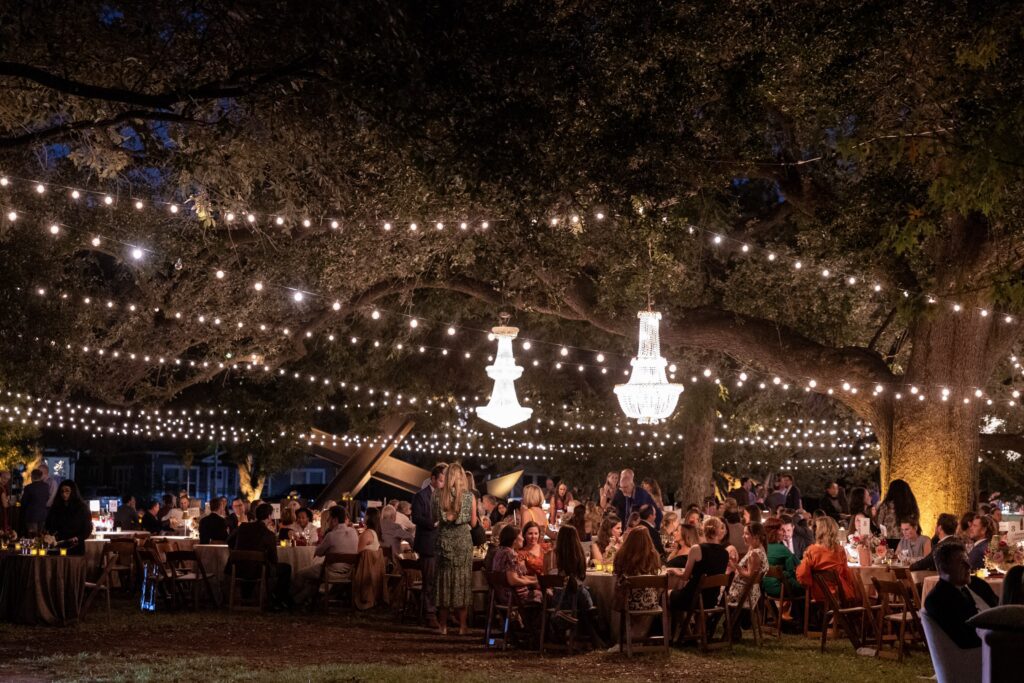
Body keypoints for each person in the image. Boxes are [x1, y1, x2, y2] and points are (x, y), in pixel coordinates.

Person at [923, 540, 998, 649]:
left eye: (967, 560)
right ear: (944, 568)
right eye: (961, 562)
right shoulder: (937, 599)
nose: (969, 566)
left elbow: (999, 607)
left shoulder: (977, 584)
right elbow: (966, 639)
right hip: (987, 648)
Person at [433, 462, 476, 636]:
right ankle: (462, 626)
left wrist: (448, 516)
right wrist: (460, 517)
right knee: (462, 583)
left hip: (444, 541)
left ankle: (442, 626)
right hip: (463, 543)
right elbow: (473, 522)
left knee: (444, 583)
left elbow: (434, 517)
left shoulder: (437, 495)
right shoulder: (469, 496)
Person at [227, 502, 292, 610]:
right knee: (286, 568)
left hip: (237, 568)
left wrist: (239, 552)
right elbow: (274, 559)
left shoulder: (242, 527)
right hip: (258, 571)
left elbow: (229, 540)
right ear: (269, 516)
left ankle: (247, 597)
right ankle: (277, 598)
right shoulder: (269, 534)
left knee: (251, 565)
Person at [549, 525, 606, 648]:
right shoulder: (579, 555)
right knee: (591, 599)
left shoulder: (554, 554)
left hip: (558, 601)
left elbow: (550, 574)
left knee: (580, 601)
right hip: (576, 597)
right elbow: (582, 577)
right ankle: (597, 636)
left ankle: (588, 638)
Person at [292, 506, 359, 605]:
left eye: (329, 518)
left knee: (300, 573)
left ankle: (290, 599)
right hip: (349, 572)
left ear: (335, 520)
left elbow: (318, 552)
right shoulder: (354, 532)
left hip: (330, 572)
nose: (328, 521)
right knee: (312, 581)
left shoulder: (331, 535)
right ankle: (298, 600)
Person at [668, 516, 730, 610]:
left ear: (704, 530)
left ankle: (672, 620)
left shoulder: (697, 549)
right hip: (711, 600)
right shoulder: (725, 553)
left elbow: (685, 577)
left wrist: (675, 571)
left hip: (692, 597)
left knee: (667, 594)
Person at [612, 526, 663, 641]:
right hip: (651, 602)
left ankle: (623, 637)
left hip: (628, 602)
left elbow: (617, 574)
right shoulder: (653, 555)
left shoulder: (622, 555)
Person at [412, 463, 446, 630]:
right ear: (433, 479)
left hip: (442, 545)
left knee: (441, 581)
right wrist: (434, 523)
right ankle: (429, 614)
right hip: (428, 544)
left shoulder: (445, 497)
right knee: (430, 581)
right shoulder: (421, 496)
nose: (443, 484)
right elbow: (416, 517)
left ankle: (442, 613)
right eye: (441, 480)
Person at [795, 516, 857, 605]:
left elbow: (802, 575)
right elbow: (847, 574)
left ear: (819, 531)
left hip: (819, 592)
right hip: (839, 593)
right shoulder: (840, 550)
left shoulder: (811, 551)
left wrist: (809, 583)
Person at [726, 522, 768, 638]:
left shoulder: (755, 553)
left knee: (718, 596)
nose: (743, 536)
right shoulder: (758, 549)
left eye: (746, 534)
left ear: (756, 536)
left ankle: (729, 629)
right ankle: (733, 628)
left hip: (744, 594)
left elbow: (749, 575)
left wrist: (735, 565)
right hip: (749, 592)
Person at [490, 524, 541, 605]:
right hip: (513, 597)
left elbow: (515, 576)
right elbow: (513, 580)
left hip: (500, 595)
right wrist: (532, 582)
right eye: (521, 536)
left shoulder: (499, 551)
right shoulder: (510, 554)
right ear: (514, 539)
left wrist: (534, 580)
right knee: (547, 595)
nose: (523, 538)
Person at [44, 480, 92, 554]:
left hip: (75, 546)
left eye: (67, 491)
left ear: (73, 492)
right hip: (57, 545)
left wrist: (77, 538)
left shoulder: (82, 508)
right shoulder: (56, 507)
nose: (64, 494)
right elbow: (48, 525)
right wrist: (49, 536)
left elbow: (87, 529)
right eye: (62, 491)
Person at [762, 517, 802, 600]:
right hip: (781, 589)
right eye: (781, 529)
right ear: (774, 532)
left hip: (765, 589)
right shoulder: (782, 549)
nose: (784, 533)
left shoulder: (762, 548)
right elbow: (794, 572)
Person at [875, 478, 920, 549]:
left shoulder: (886, 505)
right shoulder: (910, 505)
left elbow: (879, 523)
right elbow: (915, 522)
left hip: (889, 540)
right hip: (907, 540)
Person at [20, 468, 50, 535]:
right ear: (41, 476)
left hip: (32, 516)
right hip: (42, 515)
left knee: (32, 536)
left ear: (32, 476)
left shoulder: (28, 488)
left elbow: (23, 502)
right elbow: (47, 497)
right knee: (40, 536)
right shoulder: (46, 486)